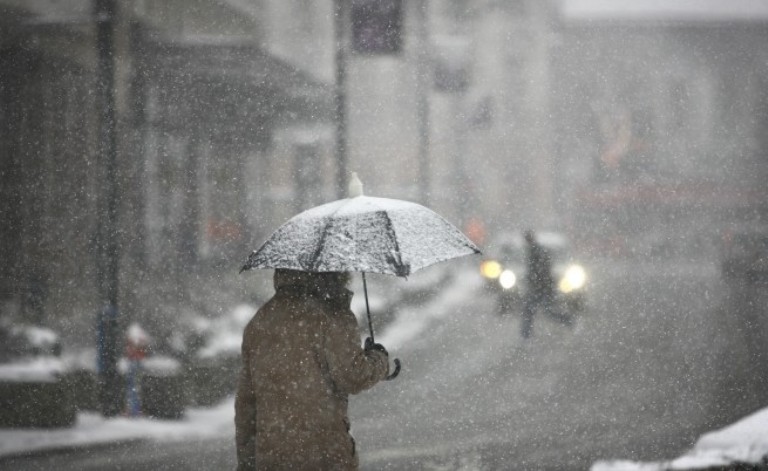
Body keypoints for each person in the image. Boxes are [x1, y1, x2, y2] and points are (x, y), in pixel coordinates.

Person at [235, 269, 390, 471]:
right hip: (324, 454)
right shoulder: (333, 315)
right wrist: (379, 359)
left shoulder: (261, 321)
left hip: (272, 457)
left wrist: (247, 462)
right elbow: (354, 376)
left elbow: (246, 404)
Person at [520, 230, 571, 338]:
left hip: (542, 288)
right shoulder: (534, 251)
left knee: (543, 311)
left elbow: (541, 271)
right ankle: (525, 335)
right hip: (540, 288)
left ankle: (568, 321)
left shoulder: (536, 252)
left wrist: (535, 281)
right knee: (533, 311)